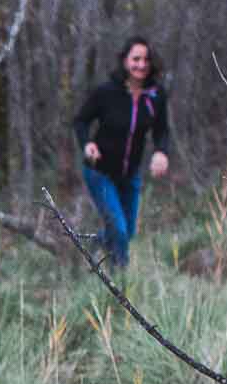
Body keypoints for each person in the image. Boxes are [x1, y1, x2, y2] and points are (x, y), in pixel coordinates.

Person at [71, 36, 172, 268]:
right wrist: (87, 144)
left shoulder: (156, 96)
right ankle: (120, 285)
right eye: (136, 59)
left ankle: (96, 244)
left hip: (130, 175)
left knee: (127, 232)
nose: (141, 65)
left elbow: (162, 131)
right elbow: (81, 121)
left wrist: (161, 152)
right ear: (125, 61)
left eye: (146, 59)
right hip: (100, 172)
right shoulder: (106, 92)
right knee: (119, 231)